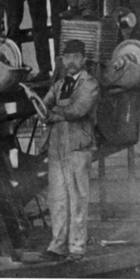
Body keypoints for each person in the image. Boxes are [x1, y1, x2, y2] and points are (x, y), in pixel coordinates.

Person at [35, 39, 100, 262]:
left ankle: (77, 247)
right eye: (67, 57)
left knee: (78, 198)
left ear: (83, 59)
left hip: (78, 148)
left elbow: (78, 110)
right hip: (56, 147)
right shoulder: (58, 85)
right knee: (57, 199)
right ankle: (58, 246)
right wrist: (43, 109)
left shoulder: (90, 84)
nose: (71, 61)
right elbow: (43, 108)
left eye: (75, 57)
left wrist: (53, 113)